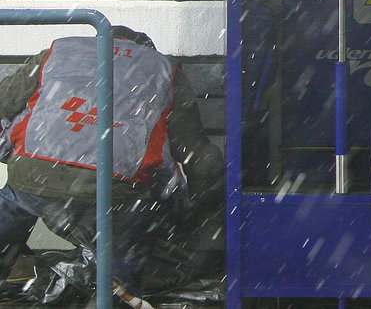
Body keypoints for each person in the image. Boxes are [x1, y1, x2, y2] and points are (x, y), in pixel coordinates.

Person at [0, 26, 221, 308]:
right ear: (145, 48)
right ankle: (116, 292)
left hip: (34, 176)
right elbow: (198, 155)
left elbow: (4, 102)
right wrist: (203, 207)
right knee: (127, 240)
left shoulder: (59, 51)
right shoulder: (164, 70)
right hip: (116, 191)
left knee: (12, 204)